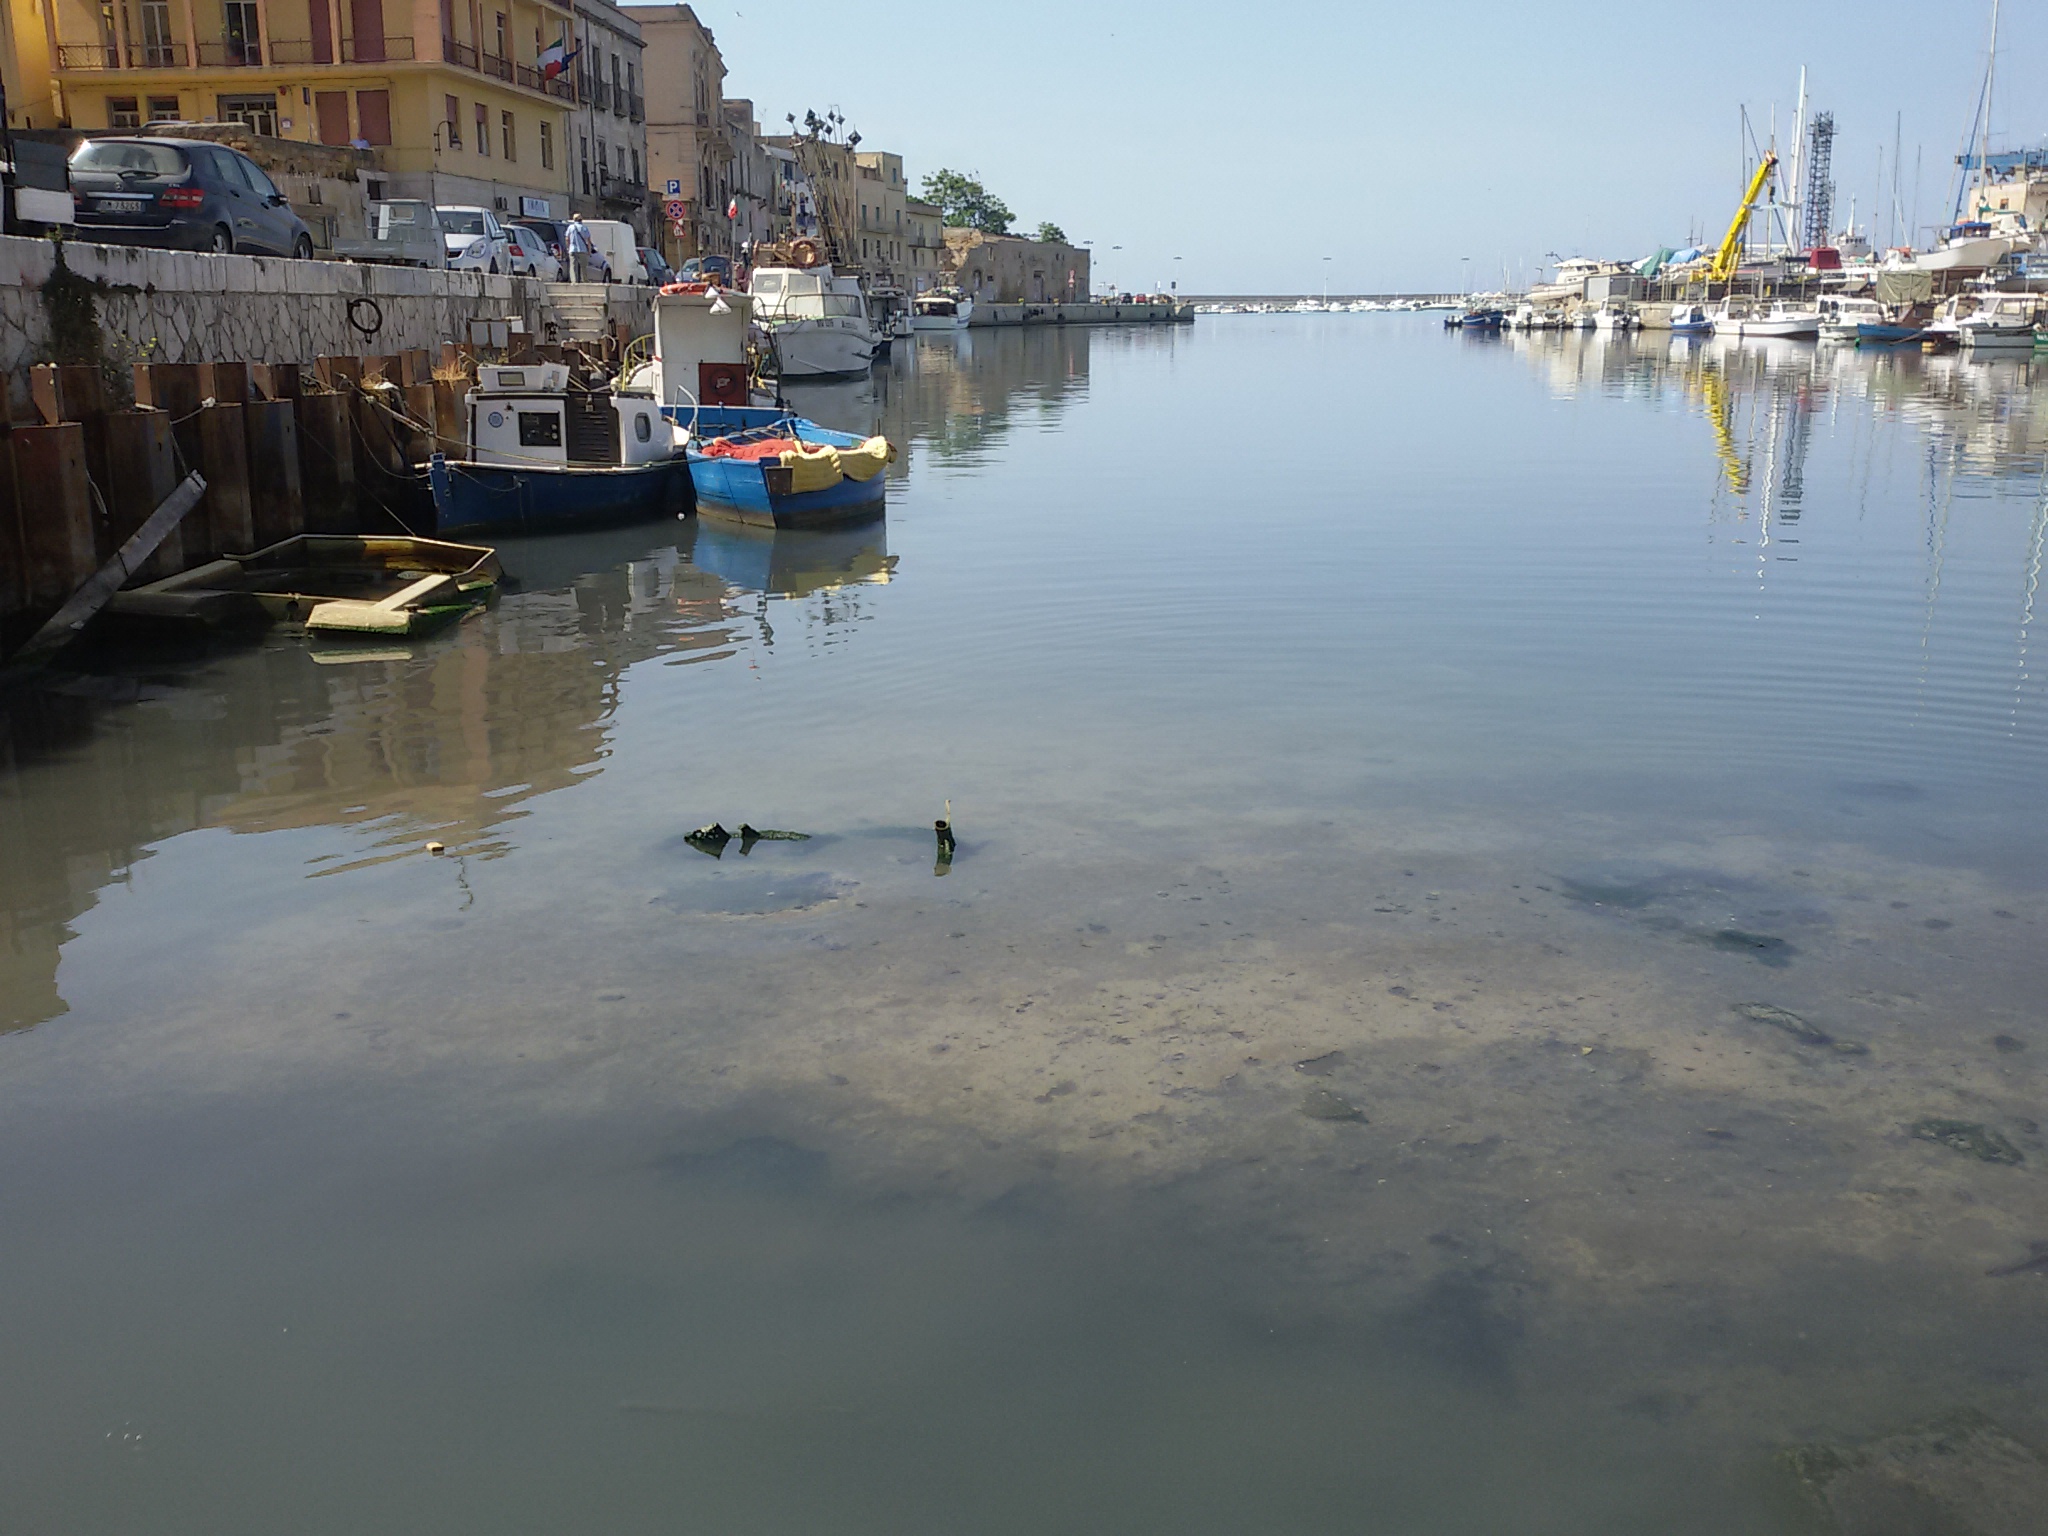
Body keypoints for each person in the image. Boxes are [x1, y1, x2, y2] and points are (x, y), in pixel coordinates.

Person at [565, 214, 594, 283]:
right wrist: (589, 250)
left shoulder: (570, 227)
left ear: (574, 219)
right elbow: (588, 240)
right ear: (581, 219)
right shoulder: (584, 228)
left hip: (572, 249)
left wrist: (568, 248)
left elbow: (567, 238)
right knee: (583, 266)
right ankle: (585, 280)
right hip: (582, 250)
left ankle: (574, 281)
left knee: (573, 266)